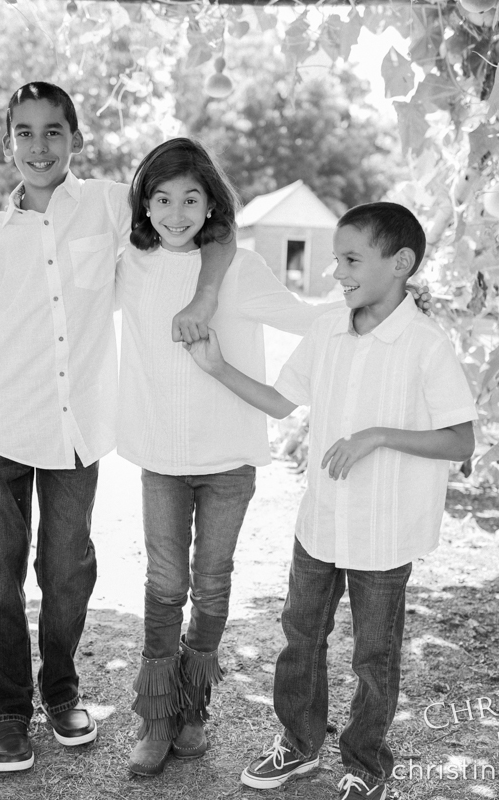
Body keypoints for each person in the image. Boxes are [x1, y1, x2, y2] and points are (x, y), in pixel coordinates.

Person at [0, 82, 234, 773]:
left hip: (79, 430)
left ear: (75, 139)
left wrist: (208, 293)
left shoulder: (108, 204)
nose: (38, 146)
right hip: (6, 426)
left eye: (52, 132)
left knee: (68, 570)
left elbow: (214, 226)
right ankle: (6, 712)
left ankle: (60, 688)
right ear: (7, 143)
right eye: (24, 133)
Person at [187, 203, 477, 800]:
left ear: (401, 264)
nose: (336, 271)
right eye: (336, 258)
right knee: (301, 635)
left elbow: (461, 440)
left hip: (384, 529)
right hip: (320, 522)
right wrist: (216, 367)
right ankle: (297, 744)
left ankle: (366, 764)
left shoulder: (425, 343)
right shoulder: (326, 329)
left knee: (375, 656)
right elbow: (279, 402)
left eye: (350, 259)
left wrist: (377, 436)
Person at [115, 137, 339, 776]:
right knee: (165, 584)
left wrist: (371, 291)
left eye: (191, 198)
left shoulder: (239, 268)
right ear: (144, 204)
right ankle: (155, 717)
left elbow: (306, 318)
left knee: (212, 585)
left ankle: (192, 710)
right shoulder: (130, 264)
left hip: (228, 458)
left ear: (212, 202)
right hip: (160, 452)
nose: (176, 212)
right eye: (162, 199)